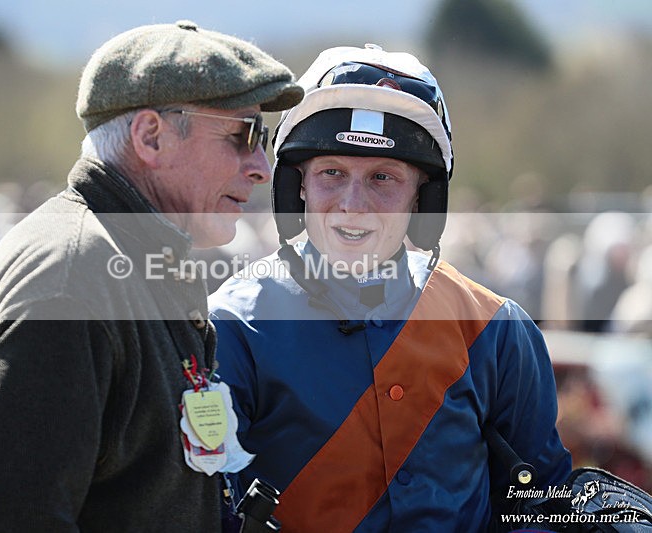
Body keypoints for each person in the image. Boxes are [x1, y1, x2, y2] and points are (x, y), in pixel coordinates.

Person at [0, 20, 302, 532]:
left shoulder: (120, 259)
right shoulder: (74, 279)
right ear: (151, 136)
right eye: (243, 134)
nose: (261, 165)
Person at [209, 44, 572, 531]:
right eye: (332, 174)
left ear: (422, 197)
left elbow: (543, 501)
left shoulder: (497, 329)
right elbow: (201, 507)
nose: (353, 204)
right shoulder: (230, 329)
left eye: (383, 177)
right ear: (297, 186)